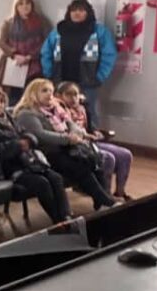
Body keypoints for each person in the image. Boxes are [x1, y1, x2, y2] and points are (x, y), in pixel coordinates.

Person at [0, 87, 70, 224]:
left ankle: (66, 217)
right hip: (2, 167)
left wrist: (29, 140)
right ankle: (59, 221)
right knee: (41, 183)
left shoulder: (6, 117)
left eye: (2, 101)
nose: (0, 105)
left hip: (24, 161)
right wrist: (17, 145)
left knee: (55, 178)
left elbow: (25, 132)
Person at [13, 79, 115, 209]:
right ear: (33, 93)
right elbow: (41, 136)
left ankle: (103, 200)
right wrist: (67, 138)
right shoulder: (27, 113)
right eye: (44, 91)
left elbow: (71, 124)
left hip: (64, 149)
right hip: (46, 154)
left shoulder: (55, 108)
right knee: (80, 167)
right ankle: (106, 201)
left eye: (51, 90)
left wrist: (73, 134)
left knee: (93, 161)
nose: (49, 94)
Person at [40, 0, 116, 129]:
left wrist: (99, 77)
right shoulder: (59, 30)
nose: (77, 13)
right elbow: (46, 51)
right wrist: (49, 73)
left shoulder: (99, 31)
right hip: (60, 81)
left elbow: (110, 55)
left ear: (88, 13)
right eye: (73, 10)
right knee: (59, 112)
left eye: (81, 10)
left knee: (88, 112)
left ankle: (92, 143)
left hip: (88, 82)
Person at [56, 81, 132, 200]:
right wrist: (85, 136)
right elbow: (65, 131)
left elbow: (90, 127)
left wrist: (95, 131)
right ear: (59, 96)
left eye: (75, 94)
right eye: (68, 95)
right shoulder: (58, 110)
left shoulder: (82, 107)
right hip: (77, 145)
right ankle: (105, 196)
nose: (73, 98)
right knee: (108, 158)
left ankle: (120, 192)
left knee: (125, 154)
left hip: (91, 142)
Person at [0, 0, 50, 101]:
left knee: (33, 97)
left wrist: (30, 57)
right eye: (21, 4)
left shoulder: (41, 22)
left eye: (27, 3)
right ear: (16, 7)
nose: (25, 6)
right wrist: (14, 55)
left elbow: (46, 43)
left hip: (34, 65)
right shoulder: (9, 23)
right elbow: (2, 43)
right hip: (14, 64)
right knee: (13, 98)